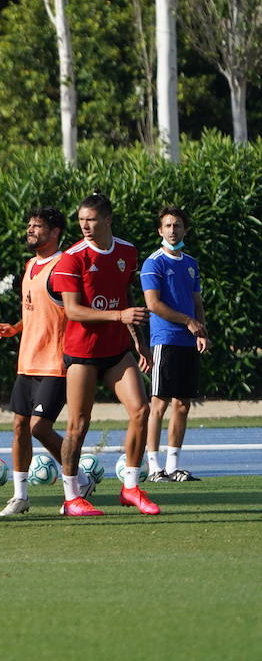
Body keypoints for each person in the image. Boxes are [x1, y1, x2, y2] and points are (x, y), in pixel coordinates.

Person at [48, 193, 158, 517]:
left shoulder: (127, 252)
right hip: (82, 352)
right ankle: (72, 497)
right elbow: (73, 310)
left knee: (141, 410)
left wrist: (138, 341)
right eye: (81, 219)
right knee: (78, 425)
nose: (85, 225)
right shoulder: (72, 258)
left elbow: (124, 296)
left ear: (107, 220)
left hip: (116, 351)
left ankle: (131, 487)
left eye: (92, 219)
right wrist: (119, 316)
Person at [0, 207, 69, 517]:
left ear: (55, 232)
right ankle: (20, 496)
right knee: (20, 427)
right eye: (29, 225)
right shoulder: (30, 265)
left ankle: (78, 477)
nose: (30, 230)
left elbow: (72, 311)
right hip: (28, 361)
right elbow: (35, 312)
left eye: (37, 226)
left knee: (39, 427)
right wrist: (14, 329)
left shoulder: (63, 266)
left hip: (55, 362)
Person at [141, 206, 209, 482]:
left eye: (177, 225)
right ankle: (154, 467)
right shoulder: (153, 262)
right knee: (159, 404)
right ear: (160, 230)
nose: (172, 230)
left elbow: (196, 302)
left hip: (188, 341)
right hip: (165, 340)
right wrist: (187, 321)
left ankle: (172, 466)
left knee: (183, 404)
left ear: (185, 230)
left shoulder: (190, 263)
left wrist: (201, 331)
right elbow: (153, 304)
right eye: (168, 225)